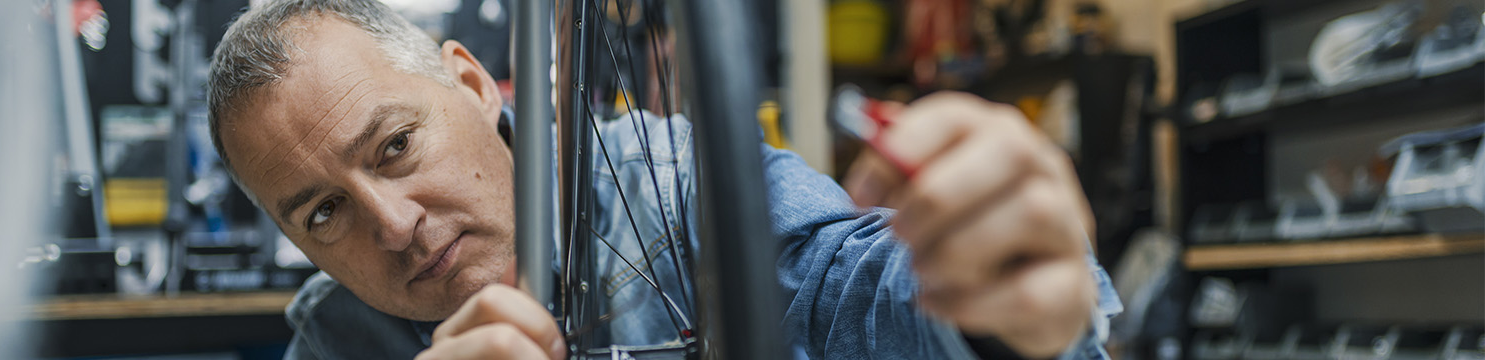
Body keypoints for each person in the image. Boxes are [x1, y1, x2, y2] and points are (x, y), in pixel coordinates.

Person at [207, 0, 1120, 359]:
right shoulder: (335, 342)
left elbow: (862, 291)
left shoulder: (680, 187)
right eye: (323, 211)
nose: (393, 224)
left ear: (477, 85)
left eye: (396, 145)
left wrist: (996, 299)